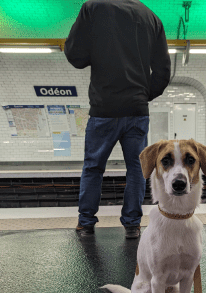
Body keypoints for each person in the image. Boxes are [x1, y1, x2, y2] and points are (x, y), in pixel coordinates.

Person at [64, 0, 171, 238]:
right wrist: (142, 95)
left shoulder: (92, 8)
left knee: (93, 167)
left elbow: (75, 56)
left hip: (104, 109)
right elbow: (163, 71)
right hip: (137, 110)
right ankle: (132, 224)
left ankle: (86, 223)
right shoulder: (151, 18)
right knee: (137, 168)